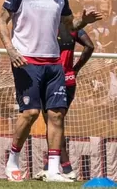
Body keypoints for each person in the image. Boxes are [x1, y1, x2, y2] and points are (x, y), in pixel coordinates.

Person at [0, 0, 102, 182]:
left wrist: (82, 22)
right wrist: (11, 50)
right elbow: (1, 20)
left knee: (56, 115)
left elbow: (69, 26)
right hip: (27, 61)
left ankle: (54, 169)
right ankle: (12, 161)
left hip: (54, 64)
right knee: (31, 113)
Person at [35, 22, 94, 181]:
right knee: (54, 124)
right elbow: (89, 46)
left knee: (53, 123)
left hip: (50, 80)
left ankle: (67, 169)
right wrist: (75, 69)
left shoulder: (46, 27)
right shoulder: (73, 29)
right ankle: (49, 167)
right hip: (68, 81)